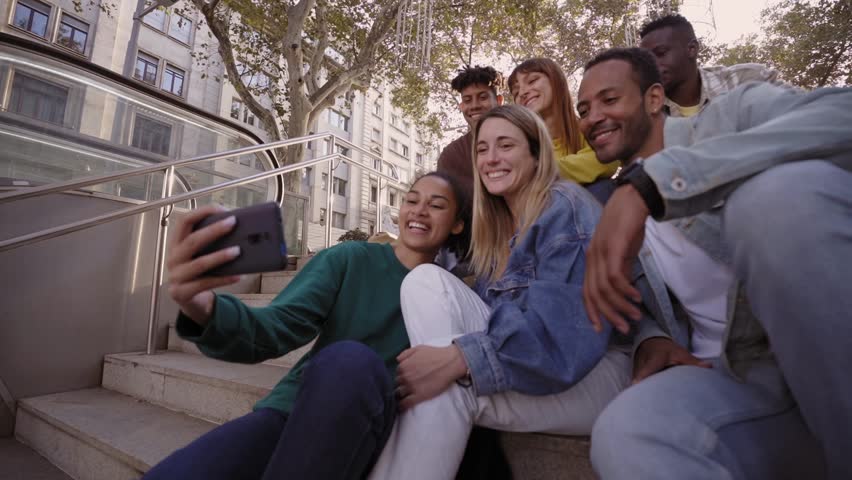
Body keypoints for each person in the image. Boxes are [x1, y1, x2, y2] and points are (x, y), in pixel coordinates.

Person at [576, 47, 852, 479]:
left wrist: (658, 182)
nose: (593, 118)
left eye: (609, 100)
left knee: (774, 197)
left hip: (828, 354)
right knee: (625, 431)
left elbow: (843, 114)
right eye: (584, 109)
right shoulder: (611, 209)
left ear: (653, 99)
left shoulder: (735, 115)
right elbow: (643, 302)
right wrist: (649, 337)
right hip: (739, 380)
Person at [143, 172, 471, 480]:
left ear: (457, 223)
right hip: (292, 410)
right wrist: (205, 308)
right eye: (412, 200)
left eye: (437, 205)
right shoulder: (349, 259)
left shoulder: (454, 297)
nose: (420, 211)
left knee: (351, 361)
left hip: (365, 428)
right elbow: (277, 326)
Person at [368, 105, 635, 480]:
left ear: (537, 154)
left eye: (506, 145)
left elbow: (563, 340)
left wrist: (461, 360)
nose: (491, 158)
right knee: (425, 281)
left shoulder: (564, 209)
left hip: (595, 371)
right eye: (482, 149)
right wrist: (455, 359)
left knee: (448, 388)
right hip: (536, 360)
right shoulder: (499, 229)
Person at [508, 58, 618, 203]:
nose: (522, 93)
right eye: (516, 92)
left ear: (556, 81)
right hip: (542, 216)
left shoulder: (587, 127)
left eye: (532, 81)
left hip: (593, 210)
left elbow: (608, 160)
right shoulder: (522, 146)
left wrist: (544, 171)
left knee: (603, 188)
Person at [639, 14, 784, 118]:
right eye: (646, 59)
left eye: (660, 53)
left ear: (692, 49)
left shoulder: (747, 80)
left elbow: (801, 116)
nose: (651, 65)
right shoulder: (647, 110)